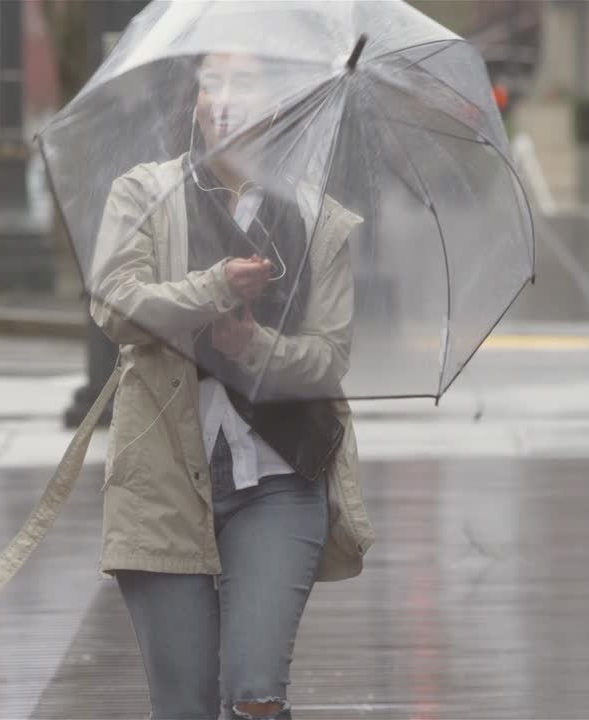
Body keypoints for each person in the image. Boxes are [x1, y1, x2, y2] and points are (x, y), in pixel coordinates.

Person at [87, 51, 374, 720]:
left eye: (242, 83)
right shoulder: (144, 194)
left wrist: (253, 345)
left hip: (277, 478)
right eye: (210, 82)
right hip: (162, 478)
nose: (222, 97)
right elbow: (115, 308)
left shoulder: (316, 218)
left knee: (256, 694)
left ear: (276, 105)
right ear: (194, 104)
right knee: (183, 705)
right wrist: (213, 289)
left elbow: (328, 359)